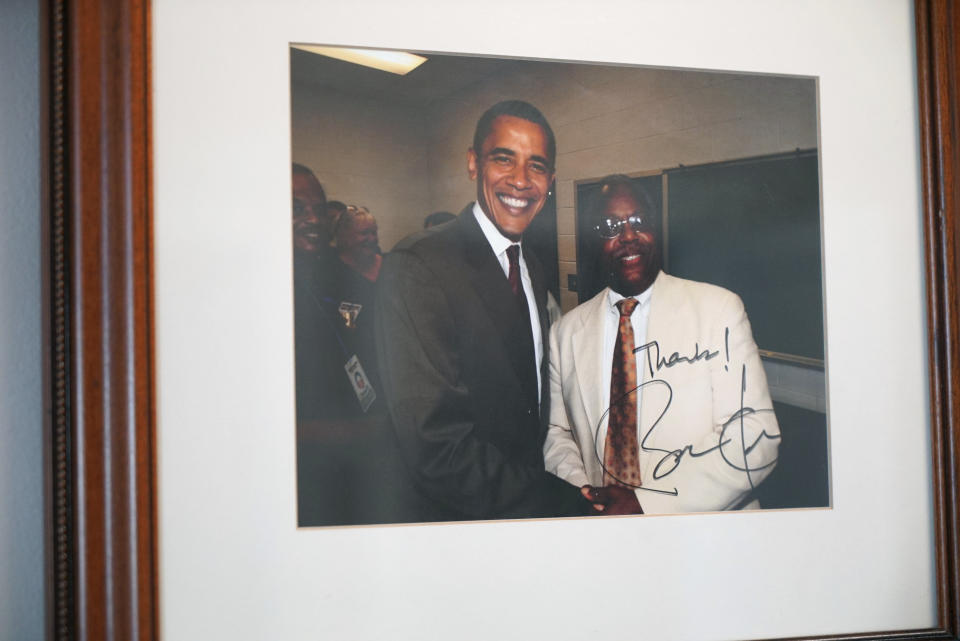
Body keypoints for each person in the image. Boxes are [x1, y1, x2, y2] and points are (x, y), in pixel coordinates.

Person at [375, 100, 591, 522]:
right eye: (503, 159)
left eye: (537, 166)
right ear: (474, 163)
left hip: (522, 502)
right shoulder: (421, 267)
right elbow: (438, 451)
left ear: (550, 181)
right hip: (459, 519)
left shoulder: (531, 265)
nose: (520, 181)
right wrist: (568, 503)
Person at [544, 175, 780, 515]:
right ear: (592, 240)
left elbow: (756, 436)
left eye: (639, 221)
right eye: (611, 226)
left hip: (704, 536)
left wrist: (645, 504)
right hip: (603, 530)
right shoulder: (564, 333)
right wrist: (587, 495)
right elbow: (557, 432)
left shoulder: (718, 310)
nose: (628, 236)